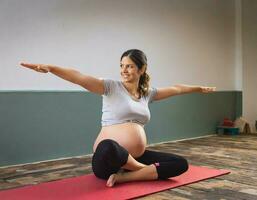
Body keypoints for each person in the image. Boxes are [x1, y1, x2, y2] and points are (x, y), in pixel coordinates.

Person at [20, 49, 216, 187]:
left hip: (136, 156)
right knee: (108, 146)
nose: (123, 70)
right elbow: (78, 76)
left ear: (142, 69)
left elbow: (177, 88)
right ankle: (142, 171)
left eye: (130, 66)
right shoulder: (110, 86)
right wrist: (51, 68)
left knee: (181, 163)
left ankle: (126, 177)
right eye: (122, 65)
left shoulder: (147, 93)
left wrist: (198, 88)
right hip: (107, 160)